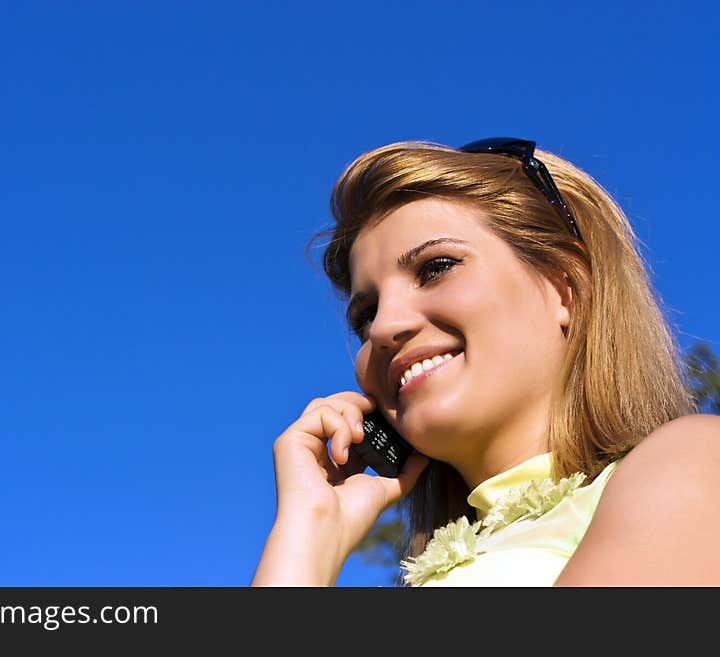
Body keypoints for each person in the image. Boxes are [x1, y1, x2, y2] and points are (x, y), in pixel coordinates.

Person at [250, 137, 720, 587]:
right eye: (365, 315)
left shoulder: (696, 460)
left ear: (565, 290)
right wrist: (309, 535)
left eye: (435, 268)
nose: (382, 328)